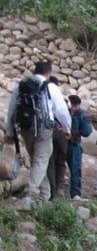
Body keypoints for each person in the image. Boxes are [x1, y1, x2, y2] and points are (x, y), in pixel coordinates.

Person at [4, 61, 71, 201]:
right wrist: (67, 128)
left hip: (25, 128)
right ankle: (32, 191)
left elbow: (12, 109)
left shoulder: (21, 86)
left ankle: (44, 195)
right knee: (41, 159)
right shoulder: (49, 86)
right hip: (43, 128)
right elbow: (61, 111)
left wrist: (9, 132)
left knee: (38, 160)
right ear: (48, 73)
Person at [46, 77, 70, 199]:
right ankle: (59, 189)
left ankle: (51, 191)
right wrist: (67, 130)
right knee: (60, 161)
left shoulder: (41, 92)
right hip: (60, 132)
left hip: (46, 130)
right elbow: (63, 113)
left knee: (49, 161)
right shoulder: (58, 94)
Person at [66, 94, 93, 199]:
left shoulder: (60, 111)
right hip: (74, 145)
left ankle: (55, 192)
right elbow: (87, 131)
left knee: (58, 167)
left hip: (59, 144)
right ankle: (75, 194)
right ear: (77, 105)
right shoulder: (80, 114)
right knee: (75, 169)